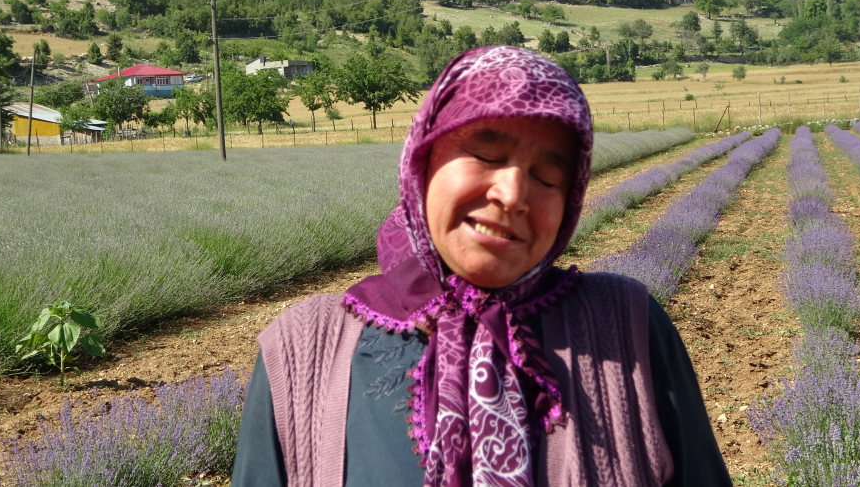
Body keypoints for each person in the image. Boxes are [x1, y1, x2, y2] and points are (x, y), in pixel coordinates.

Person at [232, 46, 731, 487]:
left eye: (547, 176)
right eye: (485, 153)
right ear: (423, 161)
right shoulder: (300, 350)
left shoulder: (630, 328)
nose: (513, 195)